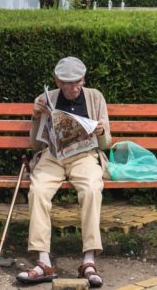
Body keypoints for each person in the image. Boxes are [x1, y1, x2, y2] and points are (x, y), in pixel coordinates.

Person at [18, 57, 111, 287]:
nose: (74, 87)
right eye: (68, 83)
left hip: (84, 155)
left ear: (84, 79)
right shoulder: (44, 99)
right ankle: (43, 262)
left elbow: (106, 143)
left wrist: (99, 131)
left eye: (78, 82)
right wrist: (36, 117)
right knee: (38, 190)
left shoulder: (95, 97)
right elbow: (35, 145)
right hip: (53, 157)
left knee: (91, 188)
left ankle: (88, 261)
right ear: (57, 81)